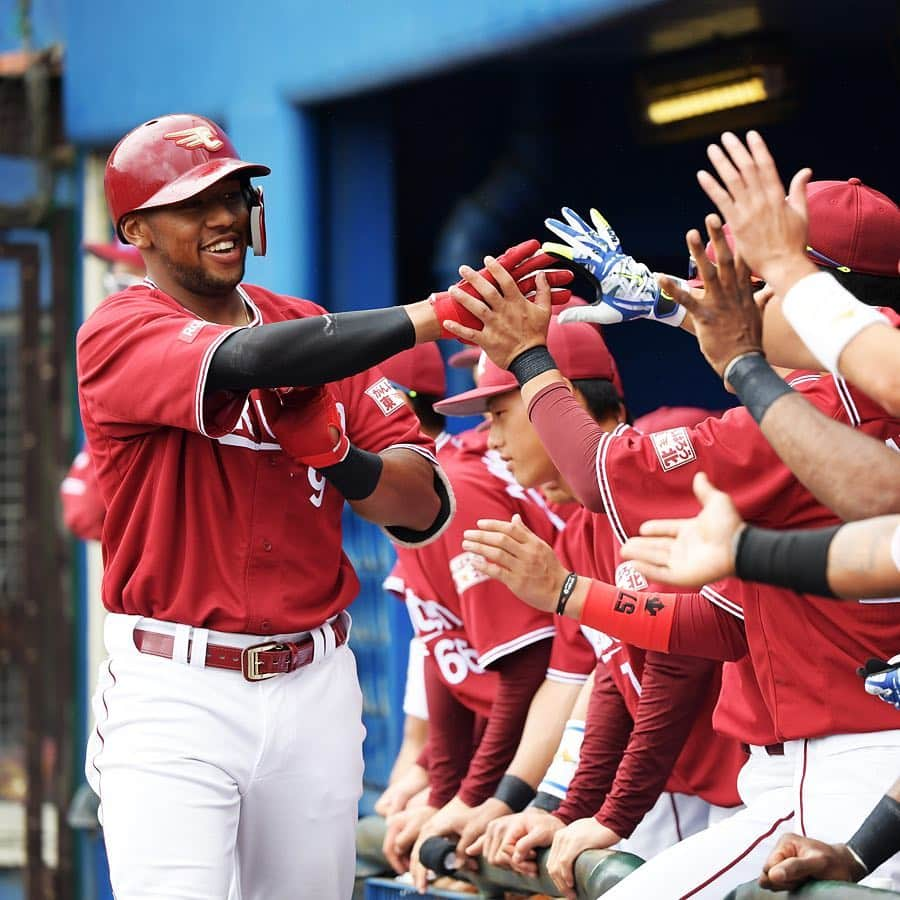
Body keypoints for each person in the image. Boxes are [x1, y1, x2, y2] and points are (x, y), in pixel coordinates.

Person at [76, 112, 569, 899]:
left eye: (234, 194)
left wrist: (340, 456)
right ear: (136, 228)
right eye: (194, 202)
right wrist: (435, 315)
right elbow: (246, 359)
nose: (224, 216)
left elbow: (423, 506)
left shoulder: (313, 328)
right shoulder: (120, 329)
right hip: (177, 687)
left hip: (313, 683)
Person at [449, 246, 900, 896]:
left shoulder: (813, 412)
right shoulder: (834, 408)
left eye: (754, 286)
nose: (487, 438)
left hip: (836, 758)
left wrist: (530, 355)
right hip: (820, 771)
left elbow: (600, 475)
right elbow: (714, 626)